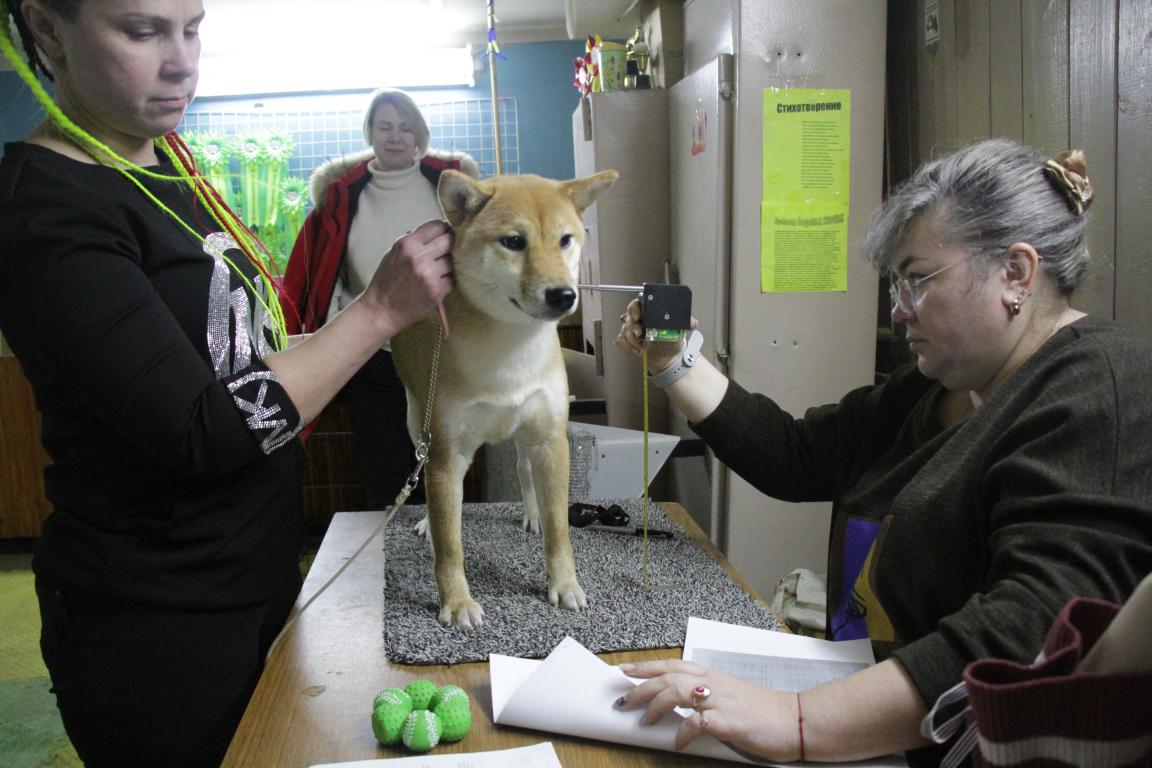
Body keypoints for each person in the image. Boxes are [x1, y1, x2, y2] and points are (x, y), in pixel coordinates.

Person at [0, 1, 452, 766]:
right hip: (156, 624)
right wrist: (376, 312)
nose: (181, 60)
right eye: (142, 31)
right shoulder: (47, 208)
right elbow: (205, 429)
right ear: (47, 29)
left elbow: (238, 359)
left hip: (254, 578)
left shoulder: (162, 161)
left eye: (192, 27)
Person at [611, 138, 1152, 765]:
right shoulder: (937, 384)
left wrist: (799, 718)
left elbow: (1034, 625)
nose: (898, 310)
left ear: (1016, 273)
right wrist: (673, 361)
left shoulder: (1105, 387)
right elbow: (794, 455)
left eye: (917, 279)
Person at [281, 89, 478, 508]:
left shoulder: (448, 187)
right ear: (369, 131)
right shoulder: (340, 199)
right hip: (373, 356)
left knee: (444, 465)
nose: (395, 136)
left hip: (444, 352)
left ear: (419, 135)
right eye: (385, 126)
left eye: (406, 127)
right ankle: (387, 565)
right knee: (384, 471)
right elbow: (316, 279)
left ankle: (445, 557)